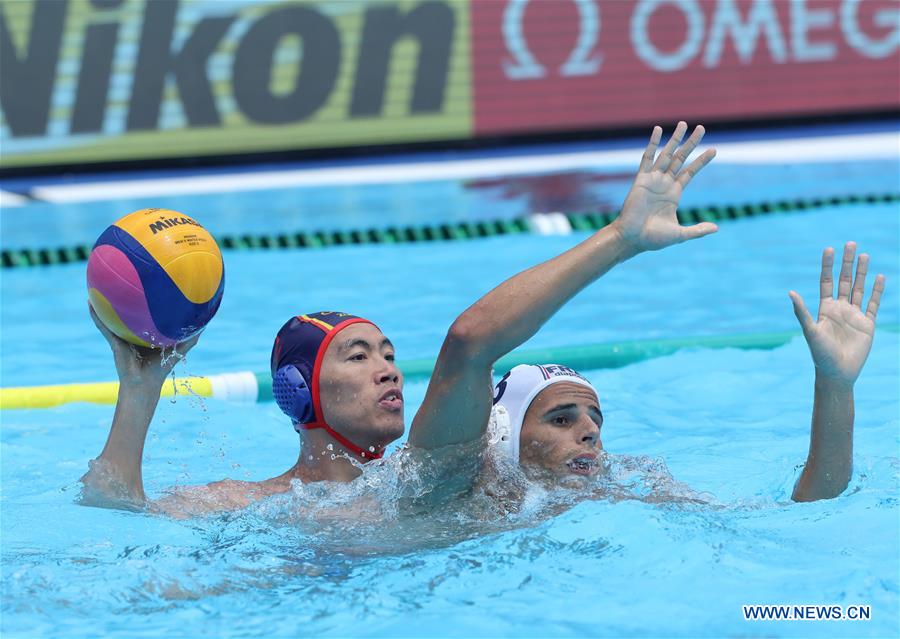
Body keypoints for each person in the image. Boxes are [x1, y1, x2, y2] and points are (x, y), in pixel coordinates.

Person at [80, 122, 720, 515]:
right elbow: (114, 512)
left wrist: (620, 239)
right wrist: (141, 386)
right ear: (297, 390)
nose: (388, 369)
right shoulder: (248, 500)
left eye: (387, 353)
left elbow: (471, 343)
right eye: (357, 356)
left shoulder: (430, 474)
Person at [487, 240, 888, 505]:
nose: (591, 432)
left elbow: (807, 510)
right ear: (506, 435)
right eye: (560, 419)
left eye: (596, 420)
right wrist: (622, 237)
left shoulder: (633, 498)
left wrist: (834, 385)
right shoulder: (464, 501)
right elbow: (468, 343)